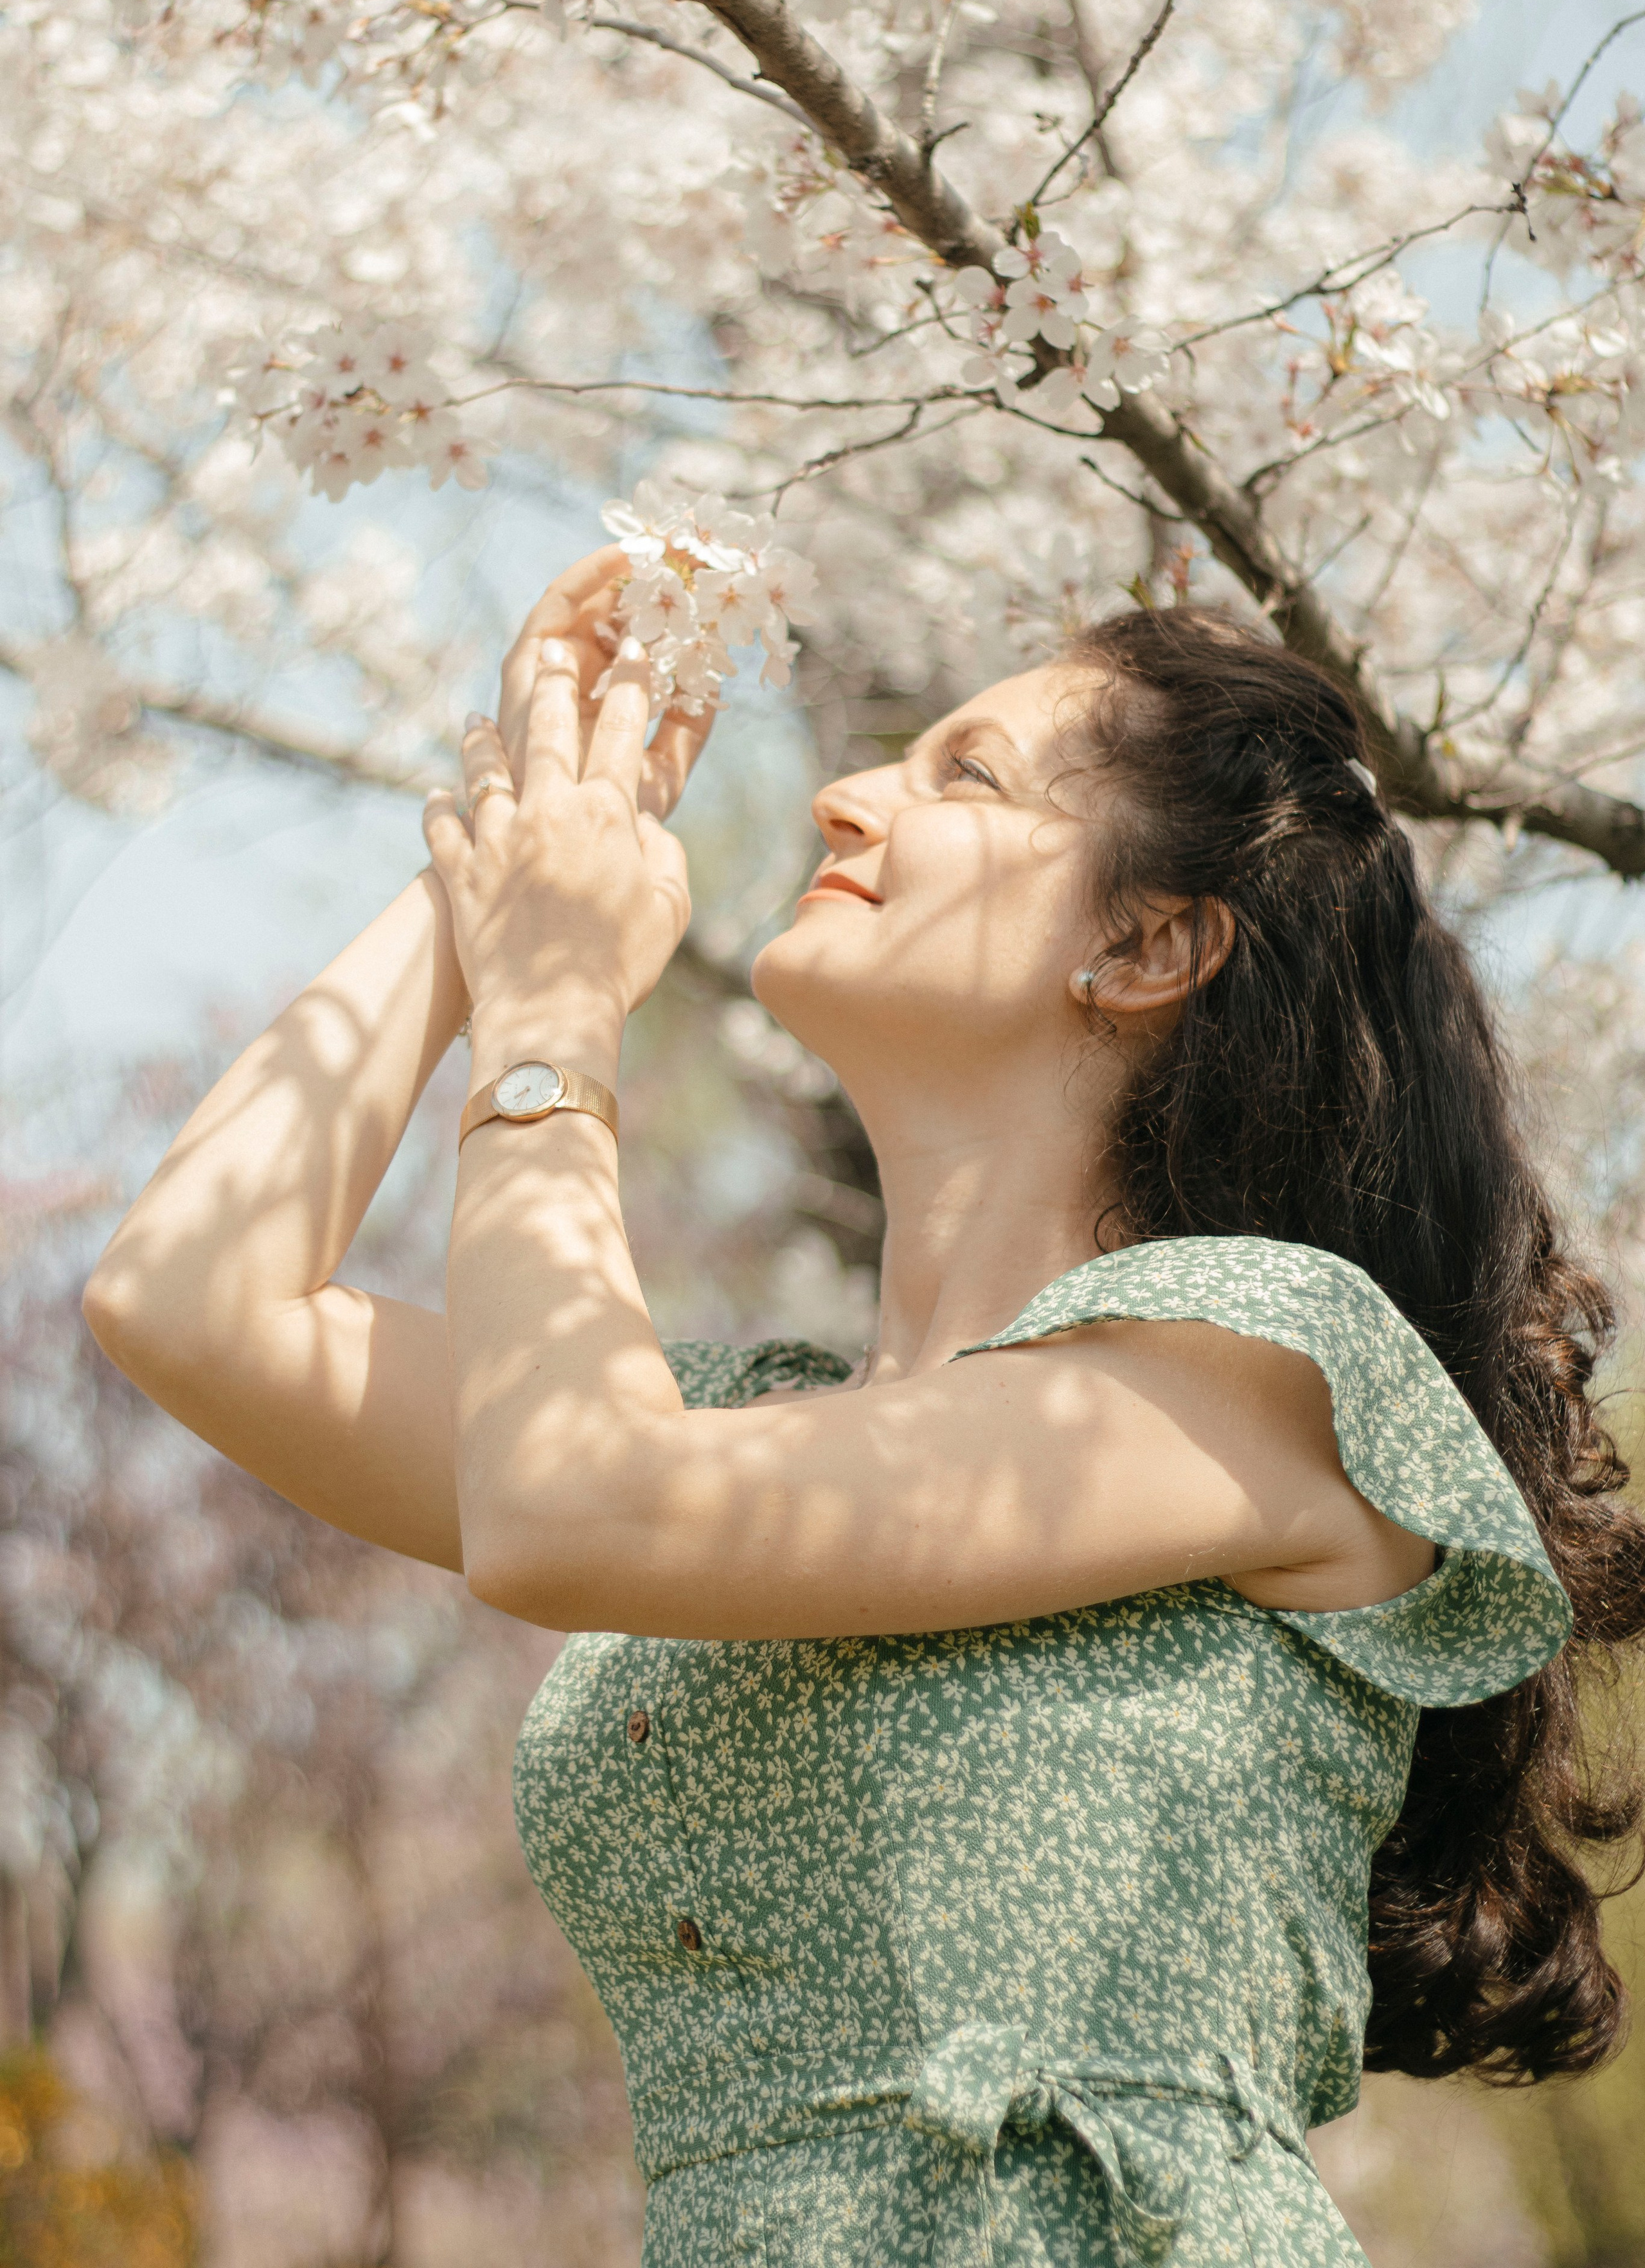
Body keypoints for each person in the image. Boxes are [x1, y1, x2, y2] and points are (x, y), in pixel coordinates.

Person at [84, 546, 1645, 2267]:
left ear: (1143, 943)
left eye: (960, 773)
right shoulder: (743, 1433)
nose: (840, 795)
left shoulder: (1254, 1374)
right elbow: (190, 1297)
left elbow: (571, 1510)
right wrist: (514, 851)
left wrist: (552, 1008)